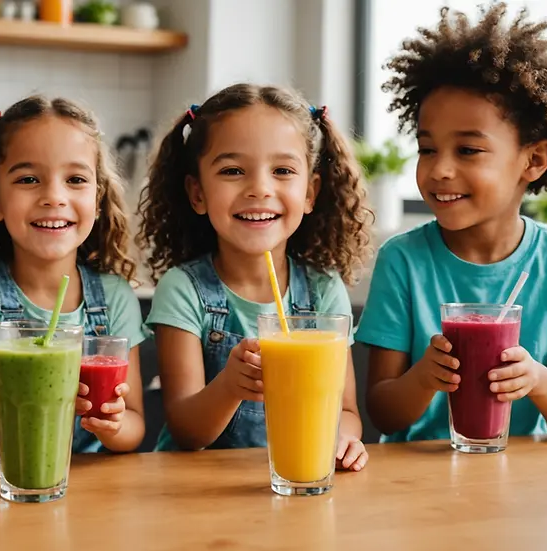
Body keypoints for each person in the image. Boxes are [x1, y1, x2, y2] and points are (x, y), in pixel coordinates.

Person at [357, 3, 547, 442]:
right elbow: (383, 412)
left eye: (468, 150)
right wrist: (423, 379)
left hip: (518, 482)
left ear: (534, 160)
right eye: (427, 149)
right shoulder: (402, 260)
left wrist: (537, 378)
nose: (439, 170)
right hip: (413, 484)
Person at [138, 83, 372, 471]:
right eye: (233, 171)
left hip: (293, 478)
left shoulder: (323, 289)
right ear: (197, 194)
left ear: (311, 192)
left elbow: (345, 410)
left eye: (282, 171)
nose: (259, 189)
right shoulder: (183, 290)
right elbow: (185, 429)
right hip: (195, 490)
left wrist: (344, 439)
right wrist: (230, 386)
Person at [0, 96, 147, 453]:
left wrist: (113, 425)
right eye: (29, 179)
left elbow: (134, 424)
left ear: (97, 199)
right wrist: (30, 398)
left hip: (91, 488)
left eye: (75, 179)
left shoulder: (115, 298)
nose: (54, 197)